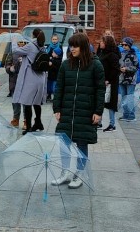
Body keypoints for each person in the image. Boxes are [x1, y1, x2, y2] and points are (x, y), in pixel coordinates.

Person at [50, 33, 104, 189]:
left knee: (82, 142)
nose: (72, 49)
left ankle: (80, 173)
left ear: (84, 47)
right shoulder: (66, 65)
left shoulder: (96, 65)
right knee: (63, 142)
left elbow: (100, 90)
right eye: (71, 45)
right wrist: (57, 108)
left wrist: (98, 111)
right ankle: (65, 172)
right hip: (67, 109)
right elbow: (59, 87)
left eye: (75, 46)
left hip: (85, 110)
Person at [12, 28, 48, 135]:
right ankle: (38, 122)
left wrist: (14, 41)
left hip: (30, 79)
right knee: (37, 102)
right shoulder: (43, 46)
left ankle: (28, 127)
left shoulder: (31, 46)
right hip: (40, 78)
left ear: (33, 36)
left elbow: (15, 51)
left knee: (27, 103)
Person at [97, 35, 121, 132]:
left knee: (111, 103)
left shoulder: (112, 55)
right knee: (100, 101)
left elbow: (115, 70)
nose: (100, 43)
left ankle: (112, 124)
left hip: (111, 83)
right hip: (102, 81)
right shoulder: (102, 53)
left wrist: (108, 80)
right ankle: (99, 122)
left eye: (102, 42)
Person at [119, 37, 139, 122]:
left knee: (130, 96)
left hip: (130, 79)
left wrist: (127, 69)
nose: (124, 46)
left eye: (125, 45)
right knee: (124, 97)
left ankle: (131, 115)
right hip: (122, 78)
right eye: (122, 44)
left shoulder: (133, 54)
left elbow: (136, 67)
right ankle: (125, 114)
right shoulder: (121, 54)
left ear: (129, 45)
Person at [5, 53, 23, 127]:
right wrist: (9, 68)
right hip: (14, 81)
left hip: (25, 80)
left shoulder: (28, 52)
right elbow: (7, 65)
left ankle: (26, 120)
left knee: (25, 102)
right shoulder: (12, 53)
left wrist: (23, 62)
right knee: (15, 101)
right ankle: (16, 119)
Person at [45, 34, 63, 101]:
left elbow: (60, 57)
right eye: (53, 39)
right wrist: (50, 59)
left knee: (54, 84)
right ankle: (48, 95)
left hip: (55, 66)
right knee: (49, 82)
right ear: (51, 40)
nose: (54, 41)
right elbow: (47, 55)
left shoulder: (59, 46)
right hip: (49, 67)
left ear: (58, 40)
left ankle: (54, 96)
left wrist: (52, 59)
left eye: (55, 39)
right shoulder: (49, 46)